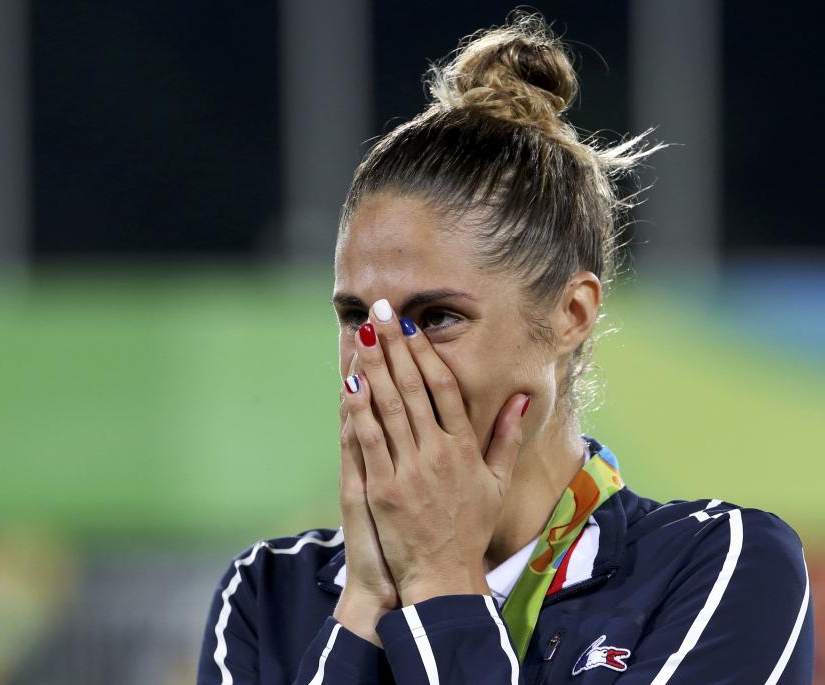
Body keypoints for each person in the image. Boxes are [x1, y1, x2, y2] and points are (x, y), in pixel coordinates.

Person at [197, 11, 814, 684]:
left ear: (569, 313)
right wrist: (365, 606)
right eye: (357, 319)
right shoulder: (264, 594)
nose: (382, 362)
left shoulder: (720, 566)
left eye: (435, 317)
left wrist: (437, 579)